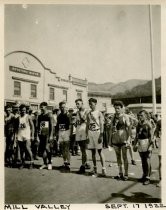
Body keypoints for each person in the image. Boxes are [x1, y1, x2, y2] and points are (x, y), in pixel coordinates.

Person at [109, 101, 131, 181]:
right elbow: (111, 129)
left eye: (118, 108)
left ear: (121, 108)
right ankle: (120, 172)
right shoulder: (113, 117)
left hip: (123, 139)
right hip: (115, 139)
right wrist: (109, 140)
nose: (116, 110)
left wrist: (129, 139)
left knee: (124, 157)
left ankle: (126, 174)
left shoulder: (125, 116)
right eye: (115, 108)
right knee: (118, 157)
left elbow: (129, 129)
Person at [86, 98, 106, 177]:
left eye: (92, 104)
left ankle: (104, 169)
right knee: (92, 152)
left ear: (95, 103)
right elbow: (87, 125)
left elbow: (101, 125)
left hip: (97, 132)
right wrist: (87, 135)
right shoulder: (88, 114)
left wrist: (101, 135)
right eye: (89, 104)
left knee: (100, 151)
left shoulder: (99, 113)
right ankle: (95, 168)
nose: (90, 105)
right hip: (91, 132)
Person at [133, 110, 153, 185]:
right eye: (139, 116)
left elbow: (151, 136)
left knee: (147, 160)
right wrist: (134, 145)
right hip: (140, 142)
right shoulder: (138, 124)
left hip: (147, 142)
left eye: (141, 115)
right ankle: (144, 175)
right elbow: (136, 136)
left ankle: (148, 177)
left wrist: (150, 146)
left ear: (145, 115)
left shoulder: (148, 124)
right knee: (143, 160)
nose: (139, 117)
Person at [15, 104, 34, 169]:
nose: (23, 111)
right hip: (20, 134)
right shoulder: (18, 118)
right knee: (21, 150)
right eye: (22, 110)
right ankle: (22, 163)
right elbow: (17, 127)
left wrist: (32, 135)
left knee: (27, 148)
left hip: (27, 135)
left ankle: (31, 162)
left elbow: (32, 127)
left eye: (24, 110)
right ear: (20, 110)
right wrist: (16, 135)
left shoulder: (28, 117)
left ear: (26, 110)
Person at [75, 99, 90, 174]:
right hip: (78, 131)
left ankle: (83, 166)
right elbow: (77, 122)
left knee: (84, 150)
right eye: (76, 104)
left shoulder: (86, 111)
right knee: (82, 149)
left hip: (84, 131)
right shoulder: (77, 112)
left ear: (82, 103)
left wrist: (80, 112)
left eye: (78, 104)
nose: (77, 105)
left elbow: (83, 119)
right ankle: (86, 163)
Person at [38, 102, 54, 170]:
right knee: (42, 150)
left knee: (47, 148)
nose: (41, 107)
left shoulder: (49, 115)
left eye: (43, 106)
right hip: (42, 134)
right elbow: (39, 126)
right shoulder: (40, 115)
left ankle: (50, 163)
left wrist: (51, 135)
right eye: (40, 106)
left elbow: (52, 126)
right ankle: (45, 163)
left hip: (48, 134)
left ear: (46, 107)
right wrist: (38, 132)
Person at [57, 101, 71, 171]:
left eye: (64, 107)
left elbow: (70, 125)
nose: (63, 108)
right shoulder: (59, 116)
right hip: (61, 132)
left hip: (66, 132)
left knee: (67, 148)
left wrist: (70, 134)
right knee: (62, 148)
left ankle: (68, 163)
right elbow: (58, 125)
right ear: (59, 107)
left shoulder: (68, 115)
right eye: (61, 107)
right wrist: (57, 133)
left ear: (65, 107)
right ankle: (64, 162)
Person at [154, 118, 161, 187]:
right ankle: (161, 179)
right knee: (161, 162)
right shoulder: (160, 122)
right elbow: (156, 132)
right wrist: (155, 140)